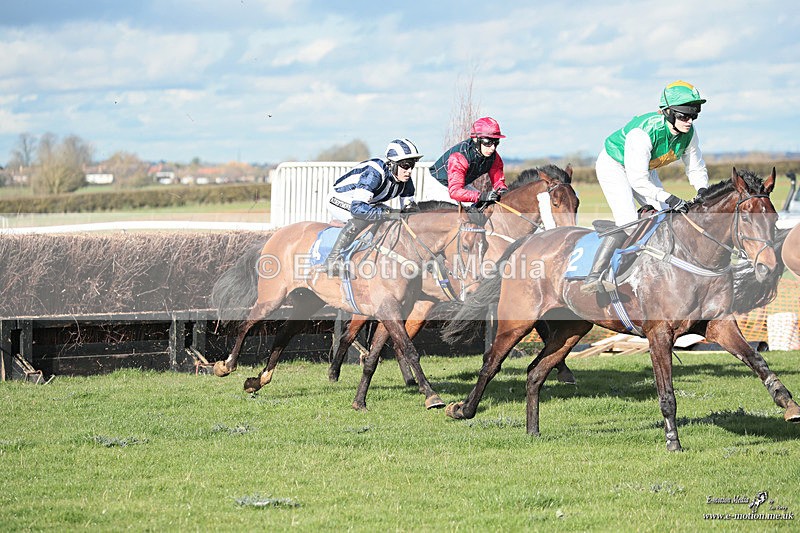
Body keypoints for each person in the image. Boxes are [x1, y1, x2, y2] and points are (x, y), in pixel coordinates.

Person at [582, 80, 710, 294]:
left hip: (644, 168)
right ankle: (595, 275)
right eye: (683, 116)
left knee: (666, 218)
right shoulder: (643, 133)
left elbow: (695, 167)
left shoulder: (689, 134)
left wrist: (703, 190)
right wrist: (669, 197)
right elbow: (637, 181)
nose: (689, 121)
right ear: (667, 113)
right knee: (628, 222)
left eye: (693, 116)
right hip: (614, 166)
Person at [317, 138, 423, 275]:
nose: (409, 171)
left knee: (390, 216)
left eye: (412, 166)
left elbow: (410, 211)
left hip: (365, 202)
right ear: (392, 164)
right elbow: (357, 209)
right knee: (363, 218)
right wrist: (389, 213)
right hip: (340, 199)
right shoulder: (374, 173)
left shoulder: (405, 180)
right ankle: (332, 260)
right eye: (405, 165)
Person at [428, 117, 509, 204]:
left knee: (483, 206)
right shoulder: (459, 157)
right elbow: (455, 192)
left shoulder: (494, 158)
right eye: (487, 142)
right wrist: (481, 196)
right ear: (476, 139)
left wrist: (502, 191)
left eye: (496, 142)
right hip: (438, 186)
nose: (492, 148)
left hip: (459, 186)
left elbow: (498, 183)